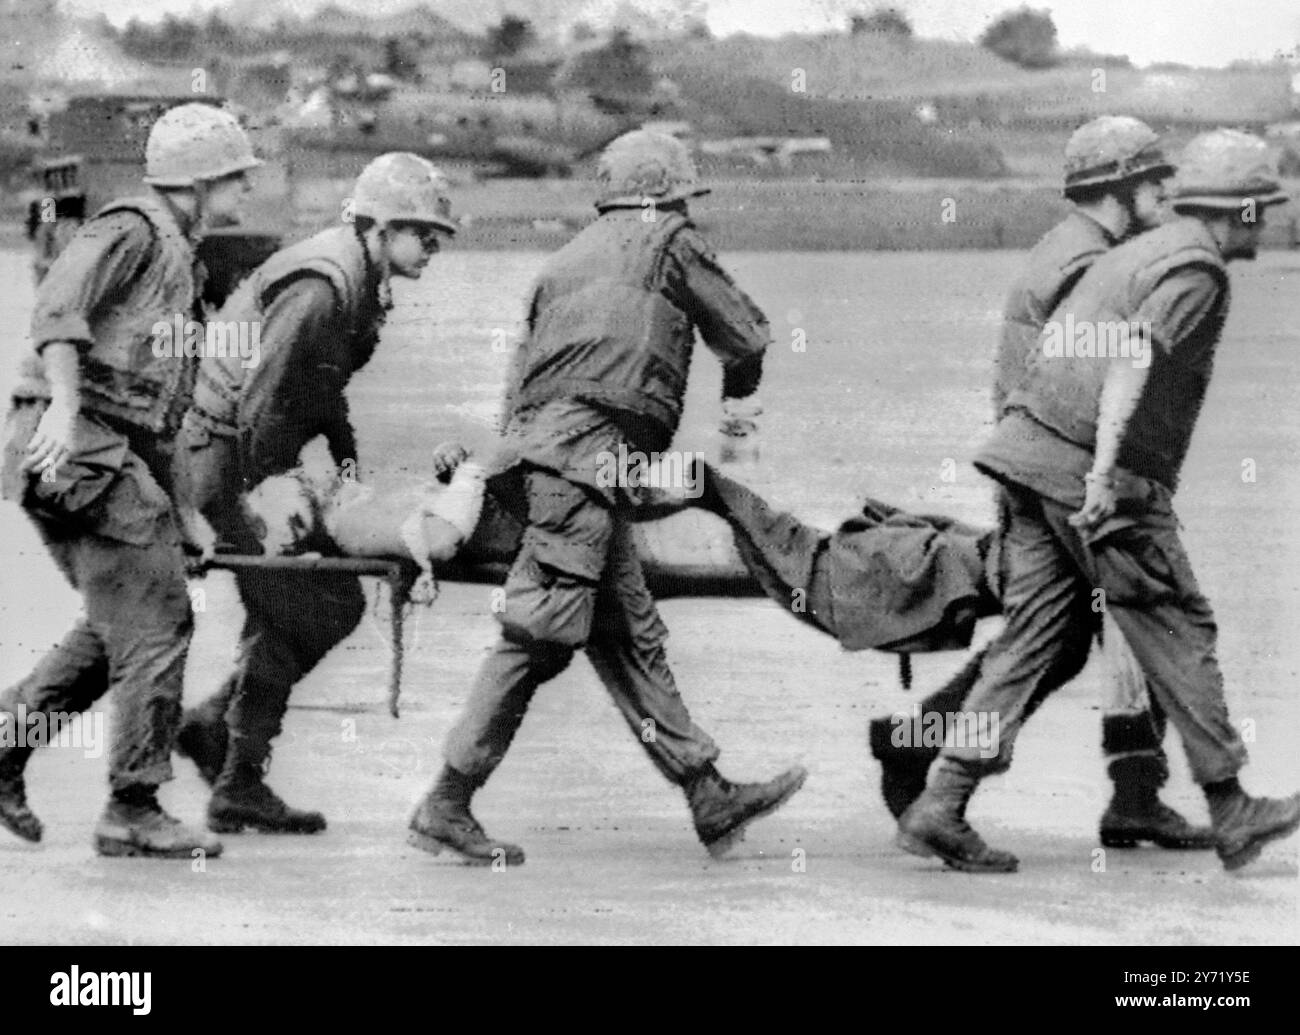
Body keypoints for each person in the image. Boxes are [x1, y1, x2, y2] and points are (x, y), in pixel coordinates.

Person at [895, 129, 1300, 873]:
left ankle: (939, 802)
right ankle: (1231, 805)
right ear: (1237, 210)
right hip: (1088, 471)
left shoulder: (1127, 253)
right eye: (1263, 208)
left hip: (1028, 456)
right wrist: (1107, 472)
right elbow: (1131, 361)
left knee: (1034, 641)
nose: (1271, 221)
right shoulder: (1196, 269)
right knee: (1173, 618)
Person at [407, 130, 807, 866]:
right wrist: (740, 418)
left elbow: (518, 392)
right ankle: (446, 801)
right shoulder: (669, 240)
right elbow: (745, 338)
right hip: (584, 466)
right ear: (665, 195)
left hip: (558, 466)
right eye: (684, 198)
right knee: (540, 635)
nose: (689, 211)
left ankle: (707, 792)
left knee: (628, 636)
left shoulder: (562, 262)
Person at [170, 153, 459, 835]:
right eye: (423, 234)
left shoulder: (356, 275)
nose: (434, 249)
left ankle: (226, 748)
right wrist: (276, 494)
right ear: (378, 227)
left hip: (236, 453)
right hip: (224, 460)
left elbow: (320, 391)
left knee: (296, 603)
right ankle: (226, 753)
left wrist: (346, 466)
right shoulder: (324, 287)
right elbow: (265, 406)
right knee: (321, 602)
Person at [0, 103, 259, 857]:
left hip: (99, 449)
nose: (244, 192)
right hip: (75, 446)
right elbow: (56, 311)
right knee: (160, 618)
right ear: (201, 181)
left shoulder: (178, 253)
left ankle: (7, 747)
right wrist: (66, 407)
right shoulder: (132, 229)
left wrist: (185, 513)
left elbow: (156, 413)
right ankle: (132, 805)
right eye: (235, 178)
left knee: (123, 620)